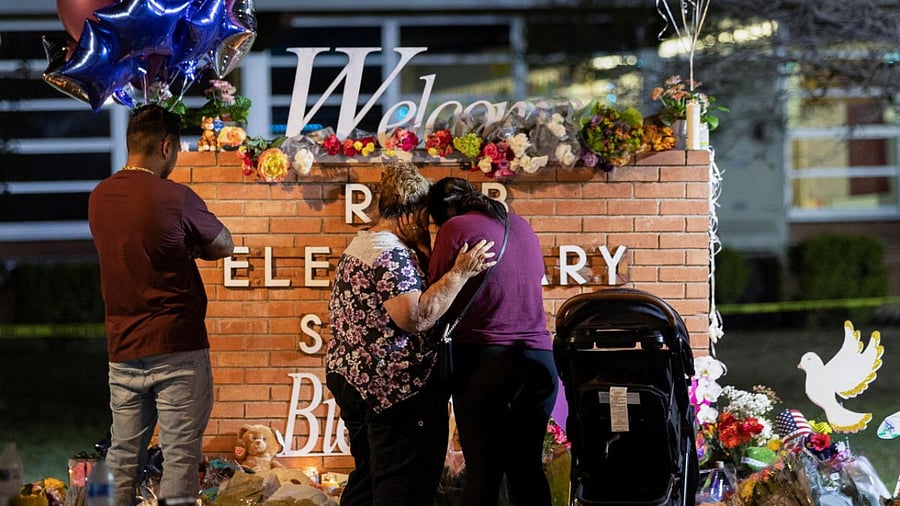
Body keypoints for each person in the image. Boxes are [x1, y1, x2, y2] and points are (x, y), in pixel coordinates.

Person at [88, 104, 234, 505]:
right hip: (177, 347)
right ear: (166, 147)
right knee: (180, 457)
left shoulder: (98, 197)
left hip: (123, 349)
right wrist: (188, 245)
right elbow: (224, 244)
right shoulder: (176, 198)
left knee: (122, 457)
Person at [326, 163, 495, 506]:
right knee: (403, 483)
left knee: (368, 479)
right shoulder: (392, 256)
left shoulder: (364, 244)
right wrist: (460, 273)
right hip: (394, 390)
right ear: (412, 211)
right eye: (426, 217)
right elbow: (415, 317)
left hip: (356, 382)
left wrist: (420, 244)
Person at [426, 177, 559, 506]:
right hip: (540, 359)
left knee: (484, 470)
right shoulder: (520, 225)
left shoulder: (455, 228)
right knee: (526, 467)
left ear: (445, 211)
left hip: (485, 359)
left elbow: (435, 293)